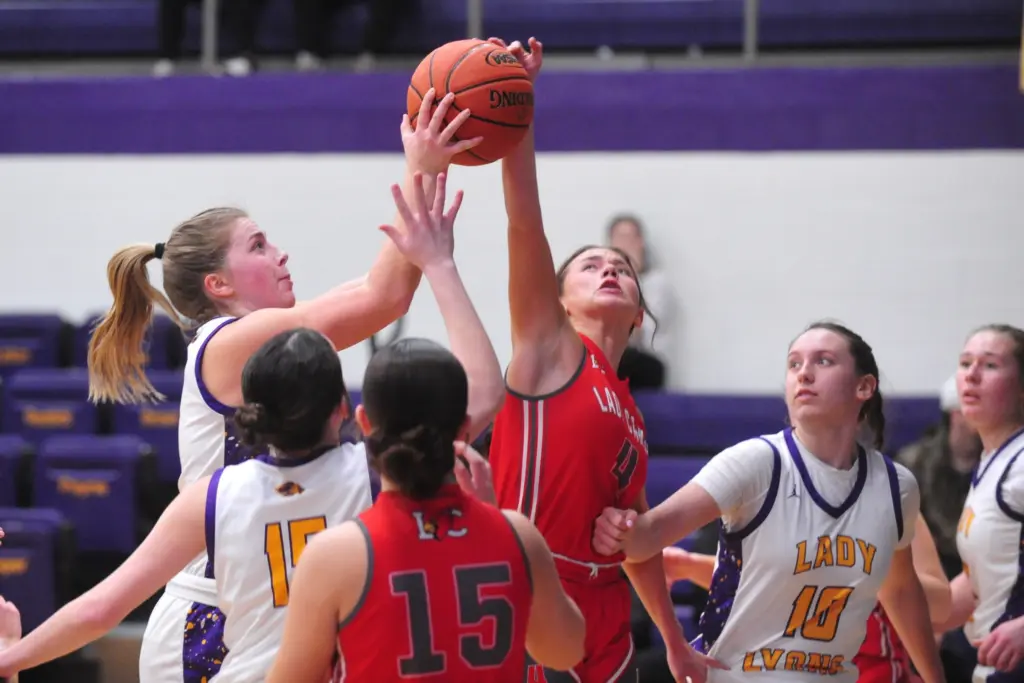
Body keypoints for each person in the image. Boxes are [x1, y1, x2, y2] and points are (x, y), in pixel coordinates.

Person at [0, 168, 504, 681]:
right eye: (259, 245)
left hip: (273, 605)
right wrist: (425, 171)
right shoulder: (227, 343)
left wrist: (427, 186)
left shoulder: (325, 462)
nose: (281, 254)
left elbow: (383, 292)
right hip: (210, 618)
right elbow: (385, 298)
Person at [482, 36, 718, 683]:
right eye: (591, 266)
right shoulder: (550, 347)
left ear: (639, 314)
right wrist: (519, 111)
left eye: (621, 268)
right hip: (535, 600)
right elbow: (524, 224)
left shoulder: (633, 416)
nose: (610, 269)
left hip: (607, 615)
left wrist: (673, 640)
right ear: (557, 301)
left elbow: (640, 545)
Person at [593, 322, 946, 683]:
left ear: (864, 386)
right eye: (794, 364)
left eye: (823, 361)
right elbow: (645, 539)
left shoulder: (895, 486)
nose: (804, 373)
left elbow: (901, 589)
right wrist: (618, 527)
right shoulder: (756, 463)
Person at [265, 338, 586, 682]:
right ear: (464, 427)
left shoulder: (334, 555)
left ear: (364, 422)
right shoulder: (518, 536)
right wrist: (495, 526)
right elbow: (565, 651)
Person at [662, 514, 952, 681]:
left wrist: (876, 569)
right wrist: (688, 566)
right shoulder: (777, 495)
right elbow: (761, 582)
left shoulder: (891, 499)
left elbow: (942, 605)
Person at [942, 324, 1024, 682]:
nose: (971, 375)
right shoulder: (994, 459)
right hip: (993, 666)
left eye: (990, 365)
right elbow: (980, 581)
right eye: (965, 363)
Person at [606, 213, 678, 390]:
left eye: (630, 238)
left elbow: (639, 333)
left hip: (646, 361)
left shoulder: (656, 283)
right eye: (620, 238)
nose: (625, 244)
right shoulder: (602, 283)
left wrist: (629, 274)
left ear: (641, 243)